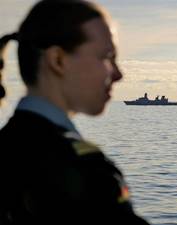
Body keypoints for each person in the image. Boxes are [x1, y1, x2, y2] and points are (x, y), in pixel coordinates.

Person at [0, 1, 149, 224]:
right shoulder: (84, 171)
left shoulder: (8, 148)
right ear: (57, 61)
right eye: (106, 57)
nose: (118, 74)